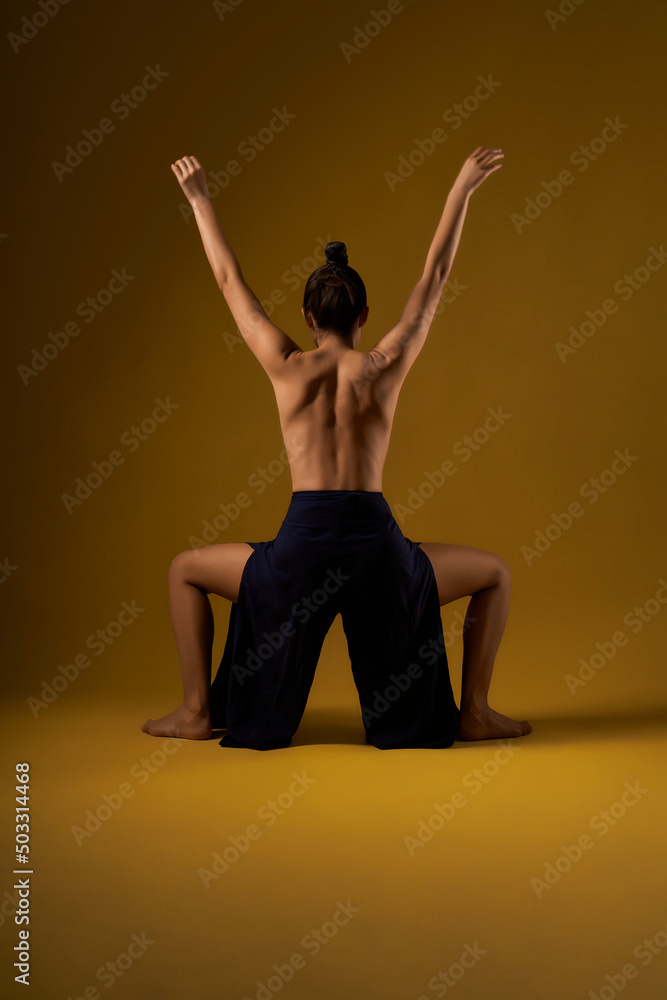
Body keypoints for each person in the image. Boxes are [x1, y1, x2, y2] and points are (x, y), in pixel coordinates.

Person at [141, 146, 532, 749]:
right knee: (496, 574)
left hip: (302, 549)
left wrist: (198, 199)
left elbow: (228, 282)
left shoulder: (285, 365)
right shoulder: (384, 365)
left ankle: (197, 711)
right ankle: (474, 711)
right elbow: (435, 279)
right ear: (364, 316)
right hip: (377, 548)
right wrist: (462, 189)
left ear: (305, 314)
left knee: (182, 571)